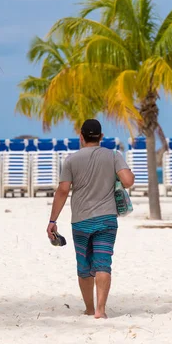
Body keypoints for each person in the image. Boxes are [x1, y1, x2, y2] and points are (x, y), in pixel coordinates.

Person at [47, 119, 135, 319]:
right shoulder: (114, 156)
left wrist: (52, 220)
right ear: (101, 137)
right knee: (103, 262)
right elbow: (128, 181)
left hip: (80, 220)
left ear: (81, 137)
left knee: (84, 265)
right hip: (106, 218)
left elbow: (62, 190)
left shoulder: (71, 159)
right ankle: (100, 310)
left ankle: (88, 308)